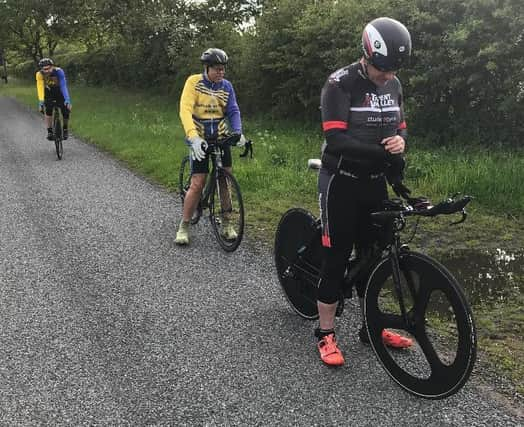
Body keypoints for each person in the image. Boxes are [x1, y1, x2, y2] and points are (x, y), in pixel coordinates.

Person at [315, 17, 414, 366]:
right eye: (381, 69)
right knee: (337, 256)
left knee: (372, 257)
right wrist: (382, 152)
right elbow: (336, 139)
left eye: (393, 69)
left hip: (374, 182)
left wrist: (400, 143)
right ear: (366, 55)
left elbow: (400, 129)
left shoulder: (394, 83)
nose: (387, 76)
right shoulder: (339, 84)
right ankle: (325, 334)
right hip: (341, 181)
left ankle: (370, 326)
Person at [175, 48, 247, 245]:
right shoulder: (194, 82)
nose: (221, 72)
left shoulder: (227, 86)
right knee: (198, 182)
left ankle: (226, 223)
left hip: (221, 137)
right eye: (217, 69)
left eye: (223, 69)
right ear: (206, 68)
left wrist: (238, 132)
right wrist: (193, 137)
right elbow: (185, 110)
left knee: (225, 180)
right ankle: (184, 225)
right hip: (199, 137)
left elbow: (233, 110)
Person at [35, 58, 72, 141]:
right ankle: (50, 131)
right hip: (48, 92)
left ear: (52, 66)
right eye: (44, 69)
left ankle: (65, 128)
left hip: (59, 92)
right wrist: (41, 101)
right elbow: (40, 87)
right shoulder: (39, 74)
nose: (47, 71)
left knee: (66, 110)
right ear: (41, 69)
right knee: (48, 110)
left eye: (48, 68)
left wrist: (67, 99)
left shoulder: (59, 71)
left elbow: (63, 85)